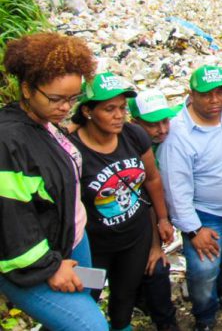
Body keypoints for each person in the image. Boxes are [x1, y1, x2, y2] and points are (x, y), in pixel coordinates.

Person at [0, 33, 108, 331]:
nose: (65, 108)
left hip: (72, 238)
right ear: (26, 88)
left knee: (82, 302)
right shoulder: (8, 142)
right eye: (56, 99)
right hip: (34, 261)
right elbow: (11, 219)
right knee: (90, 326)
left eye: (73, 99)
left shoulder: (45, 124)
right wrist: (49, 267)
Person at [68, 72, 174, 331]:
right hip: (95, 246)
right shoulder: (71, 149)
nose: (118, 115)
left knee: (124, 296)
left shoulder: (134, 135)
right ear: (88, 111)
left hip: (134, 239)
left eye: (122, 108)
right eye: (109, 109)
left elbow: (152, 179)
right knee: (86, 296)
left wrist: (161, 218)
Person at [159, 65, 222, 331]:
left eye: (218, 92)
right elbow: (175, 189)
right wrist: (193, 230)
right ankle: (204, 317)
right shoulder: (178, 133)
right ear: (191, 95)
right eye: (206, 95)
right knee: (203, 271)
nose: (214, 101)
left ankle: (221, 291)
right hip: (206, 215)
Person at [127, 89, 182, 331]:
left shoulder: (171, 128)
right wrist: (155, 245)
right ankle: (160, 315)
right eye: (153, 125)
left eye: (165, 121)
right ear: (134, 123)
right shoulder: (129, 149)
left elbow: (191, 104)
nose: (162, 129)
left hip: (161, 211)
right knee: (154, 266)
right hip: (138, 216)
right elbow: (144, 197)